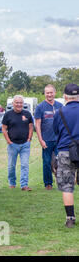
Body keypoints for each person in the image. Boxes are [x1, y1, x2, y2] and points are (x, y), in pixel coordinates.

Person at [53, 83, 79, 228]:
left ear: (65, 96)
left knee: (67, 186)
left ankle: (70, 218)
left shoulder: (60, 112)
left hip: (65, 150)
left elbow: (56, 131)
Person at [2, 95, 34, 191]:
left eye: (21, 103)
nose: (19, 104)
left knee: (25, 165)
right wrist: (8, 141)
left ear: (23, 104)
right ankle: (12, 183)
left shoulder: (27, 114)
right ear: (13, 104)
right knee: (11, 165)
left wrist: (29, 139)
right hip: (13, 145)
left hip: (25, 144)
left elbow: (31, 127)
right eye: (17, 102)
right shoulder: (8, 115)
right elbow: (4, 129)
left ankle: (24, 185)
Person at [34, 84, 64, 190]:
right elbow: (37, 125)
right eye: (47, 92)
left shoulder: (60, 106)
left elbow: (64, 123)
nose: (49, 94)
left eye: (51, 92)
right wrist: (41, 140)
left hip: (59, 140)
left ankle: (61, 182)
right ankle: (48, 183)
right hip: (46, 140)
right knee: (46, 162)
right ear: (45, 93)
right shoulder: (40, 107)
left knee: (61, 161)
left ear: (55, 93)